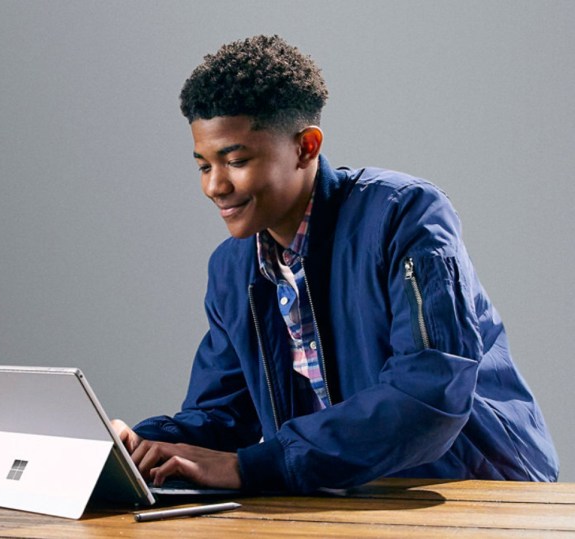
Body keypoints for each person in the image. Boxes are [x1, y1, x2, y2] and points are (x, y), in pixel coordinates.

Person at [112, 35, 559, 493]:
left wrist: (254, 467)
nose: (215, 186)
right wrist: (143, 444)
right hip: (353, 497)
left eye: (236, 160)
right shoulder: (232, 268)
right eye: (204, 166)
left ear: (306, 146)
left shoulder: (404, 216)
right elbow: (224, 416)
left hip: (482, 492)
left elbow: (429, 395)